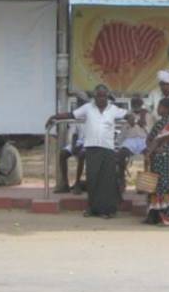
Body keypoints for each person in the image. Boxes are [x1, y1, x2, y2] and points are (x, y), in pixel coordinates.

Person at [47, 85, 133, 219]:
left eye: (104, 95)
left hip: (107, 148)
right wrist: (55, 117)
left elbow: (127, 114)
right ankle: (92, 209)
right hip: (92, 148)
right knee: (92, 179)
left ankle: (108, 210)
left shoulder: (113, 109)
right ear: (94, 96)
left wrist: (130, 117)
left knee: (107, 181)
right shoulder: (88, 108)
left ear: (107, 96)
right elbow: (71, 115)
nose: (101, 98)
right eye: (98, 95)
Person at [143, 97, 169, 226]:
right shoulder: (166, 122)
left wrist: (149, 152)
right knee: (158, 185)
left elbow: (156, 140)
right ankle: (156, 216)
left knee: (160, 186)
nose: (157, 109)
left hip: (161, 157)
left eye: (160, 106)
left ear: (166, 109)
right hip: (161, 156)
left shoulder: (167, 122)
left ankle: (163, 216)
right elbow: (151, 139)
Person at [115, 96, 150, 194]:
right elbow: (123, 132)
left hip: (143, 140)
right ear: (132, 104)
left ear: (141, 103)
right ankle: (122, 181)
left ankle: (144, 185)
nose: (136, 106)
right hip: (130, 140)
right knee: (121, 155)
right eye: (134, 103)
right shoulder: (127, 114)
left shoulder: (146, 114)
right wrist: (128, 124)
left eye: (138, 103)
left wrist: (144, 125)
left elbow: (150, 131)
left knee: (149, 155)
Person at [54, 95, 88, 194]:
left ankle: (77, 183)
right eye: (78, 103)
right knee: (63, 154)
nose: (79, 105)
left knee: (81, 155)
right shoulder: (77, 115)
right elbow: (74, 134)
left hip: (89, 143)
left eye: (82, 103)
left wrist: (81, 146)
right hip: (78, 142)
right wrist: (73, 145)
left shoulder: (91, 115)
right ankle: (65, 184)